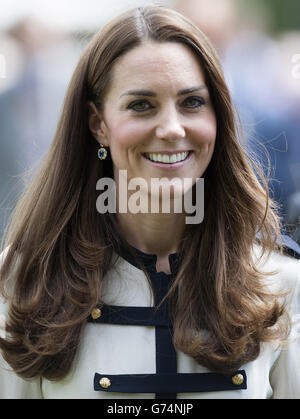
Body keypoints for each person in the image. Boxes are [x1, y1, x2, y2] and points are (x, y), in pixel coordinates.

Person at [0, 5, 299, 399]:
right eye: (141, 105)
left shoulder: (279, 282)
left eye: (192, 102)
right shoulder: (24, 281)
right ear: (98, 125)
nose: (172, 129)